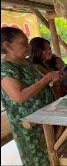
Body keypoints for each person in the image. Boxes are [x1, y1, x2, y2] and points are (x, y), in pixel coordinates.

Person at [1, 27, 61, 165]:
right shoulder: (5, 69)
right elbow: (19, 96)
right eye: (23, 43)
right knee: (38, 160)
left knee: (53, 154)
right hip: (29, 127)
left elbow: (38, 86)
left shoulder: (26, 62)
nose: (28, 46)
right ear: (7, 46)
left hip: (44, 120)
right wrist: (45, 79)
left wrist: (52, 82)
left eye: (27, 42)